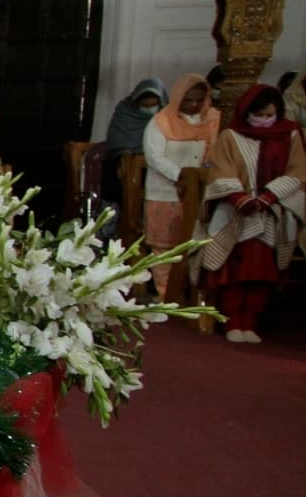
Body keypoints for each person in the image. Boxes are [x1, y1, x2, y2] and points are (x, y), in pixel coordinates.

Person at [191, 84, 304, 342]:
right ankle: (231, 321)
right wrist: (241, 198)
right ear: (247, 112)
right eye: (259, 115)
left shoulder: (291, 136)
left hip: (274, 209)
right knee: (235, 270)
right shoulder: (231, 136)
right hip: (236, 209)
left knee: (263, 271)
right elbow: (221, 170)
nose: (264, 121)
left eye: (270, 115)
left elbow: (298, 172)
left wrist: (269, 196)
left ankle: (250, 321)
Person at [142, 71, 219, 297]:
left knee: (196, 242)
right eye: (188, 99)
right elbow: (155, 157)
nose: (194, 105)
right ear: (178, 98)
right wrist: (183, 176)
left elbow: (216, 152)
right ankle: (165, 292)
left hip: (200, 193)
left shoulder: (213, 121)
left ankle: (190, 291)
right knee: (164, 244)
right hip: (165, 191)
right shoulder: (160, 122)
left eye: (199, 100)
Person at [103, 78, 168, 158]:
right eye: (145, 106)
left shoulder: (168, 117)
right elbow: (116, 143)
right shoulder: (124, 113)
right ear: (136, 103)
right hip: (124, 162)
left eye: (153, 105)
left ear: (161, 104)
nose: (149, 109)